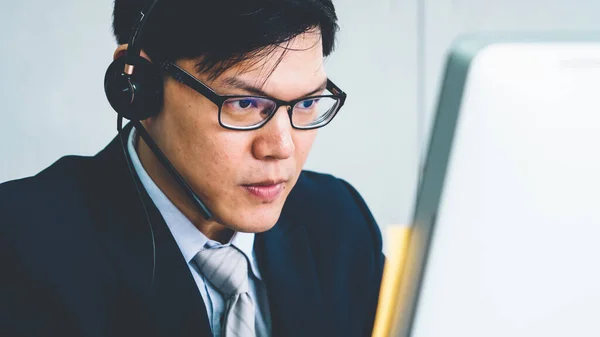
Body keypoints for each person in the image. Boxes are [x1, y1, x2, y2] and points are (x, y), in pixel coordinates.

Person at [0, 0, 384, 336]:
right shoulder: (20, 248)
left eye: (306, 103)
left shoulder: (341, 224)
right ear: (136, 86)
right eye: (245, 104)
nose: (281, 148)